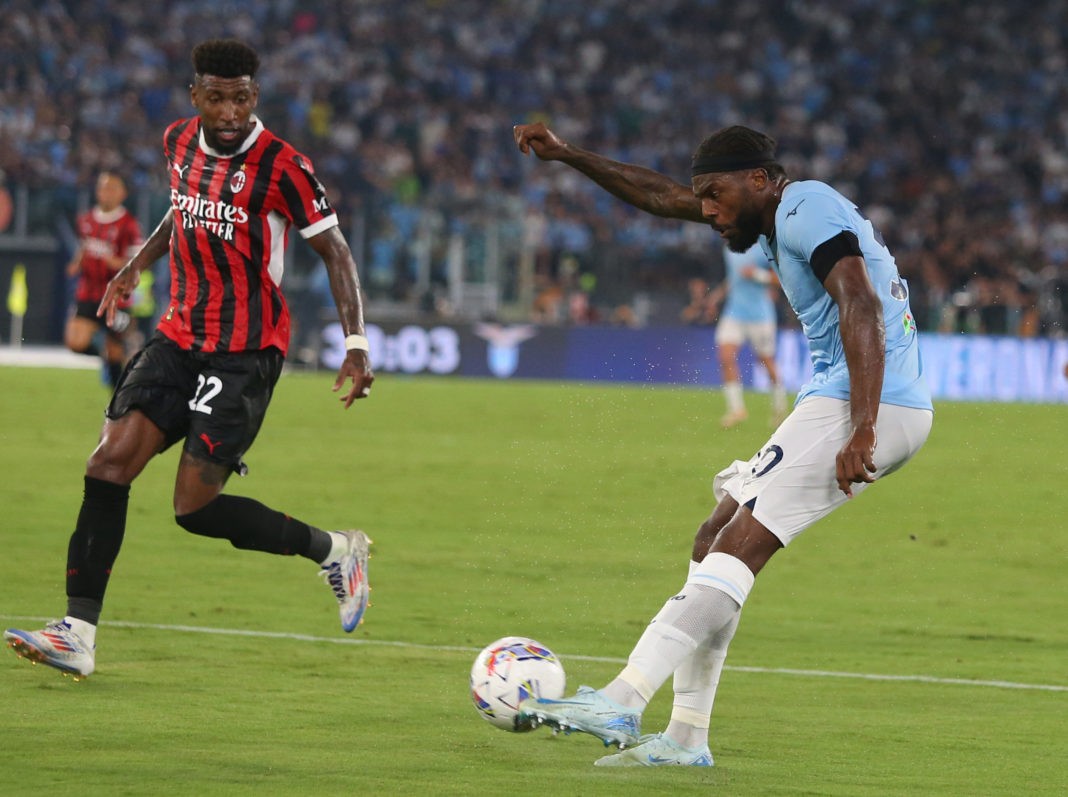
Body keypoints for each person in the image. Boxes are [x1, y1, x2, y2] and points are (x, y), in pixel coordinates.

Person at [513, 121, 933, 767]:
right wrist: (568, 154)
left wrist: (864, 426)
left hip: (865, 400)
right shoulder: (770, 215)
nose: (707, 211)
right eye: (702, 196)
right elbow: (657, 196)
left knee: (742, 542)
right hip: (846, 396)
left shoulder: (807, 206)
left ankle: (623, 697)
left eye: (716, 194)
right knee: (715, 535)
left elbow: (861, 304)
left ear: (759, 180)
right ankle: (685, 736)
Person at [4, 39, 376, 681]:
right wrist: (135, 266)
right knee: (107, 464)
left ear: (254, 97)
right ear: (195, 95)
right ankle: (77, 633)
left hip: (245, 353)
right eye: (216, 96)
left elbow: (335, 251)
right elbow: (181, 213)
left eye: (240, 97)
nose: (229, 110)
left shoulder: (284, 166)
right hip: (179, 336)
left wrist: (356, 342)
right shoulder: (178, 140)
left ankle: (335, 550)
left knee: (194, 509)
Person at [64, 171, 144, 388]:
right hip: (88, 292)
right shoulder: (87, 219)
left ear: (123, 193)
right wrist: (77, 263)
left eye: (111, 188)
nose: (105, 192)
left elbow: (137, 262)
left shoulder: (129, 224)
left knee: (116, 353)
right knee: (74, 342)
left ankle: (116, 403)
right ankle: (104, 354)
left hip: (116, 297)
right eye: (102, 187)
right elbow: (84, 246)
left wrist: (114, 262)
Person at [705, 242, 789, 428]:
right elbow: (734, 277)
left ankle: (780, 408)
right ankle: (736, 410)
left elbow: (782, 278)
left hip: (760, 316)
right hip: (733, 313)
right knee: (725, 357)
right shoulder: (728, 246)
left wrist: (758, 275)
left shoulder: (763, 247)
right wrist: (716, 297)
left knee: (766, 360)